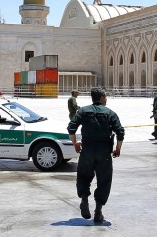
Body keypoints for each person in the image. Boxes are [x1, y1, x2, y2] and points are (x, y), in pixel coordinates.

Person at [67, 88, 125, 224]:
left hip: (87, 151)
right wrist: (117, 148)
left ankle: (84, 200)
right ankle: (98, 212)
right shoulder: (110, 113)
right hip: (104, 152)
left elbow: (71, 128)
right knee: (104, 180)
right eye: (106, 96)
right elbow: (120, 132)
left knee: (83, 176)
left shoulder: (82, 111)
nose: (107, 99)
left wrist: (75, 143)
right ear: (102, 97)